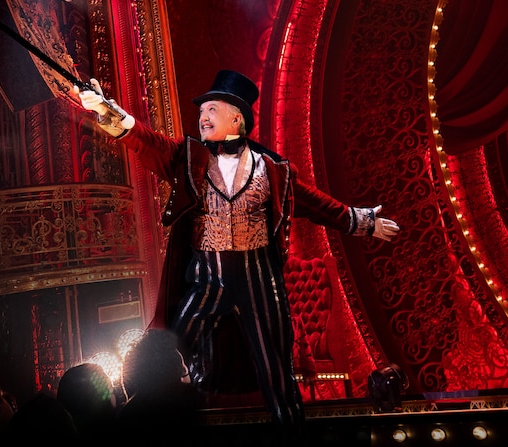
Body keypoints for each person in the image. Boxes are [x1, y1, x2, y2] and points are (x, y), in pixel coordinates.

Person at [76, 70, 399, 444]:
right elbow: (149, 142)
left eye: (212, 108)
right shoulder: (190, 158)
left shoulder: (273, 171)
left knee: (276, 371)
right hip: (206, 277)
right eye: (201, 111)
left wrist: (362, 221)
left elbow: (314, 204)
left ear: (237, 118)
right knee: (166, 349)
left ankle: (294, 440)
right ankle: (145, 430)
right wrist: (109, 111)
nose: (203, 116)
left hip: (257, 277)